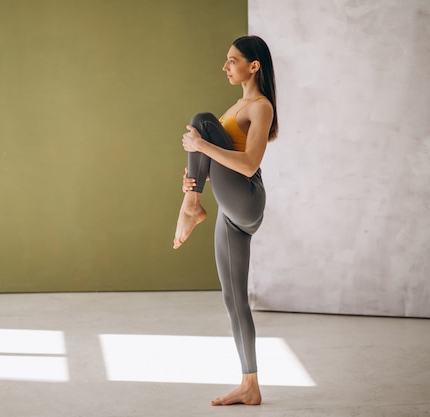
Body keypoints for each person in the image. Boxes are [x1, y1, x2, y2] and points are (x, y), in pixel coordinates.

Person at [172, 35, 278, 406]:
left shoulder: (260, 107)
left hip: (247, 198)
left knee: (201, 123)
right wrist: (194, 175)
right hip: (231, 210)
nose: (225, 66)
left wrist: (201, 149)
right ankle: (250, 384)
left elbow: (248, 164)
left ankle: (191, 207)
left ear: (254, 65)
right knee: (234, 300)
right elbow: (218, 156)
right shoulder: (238, 104)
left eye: (233, 60)